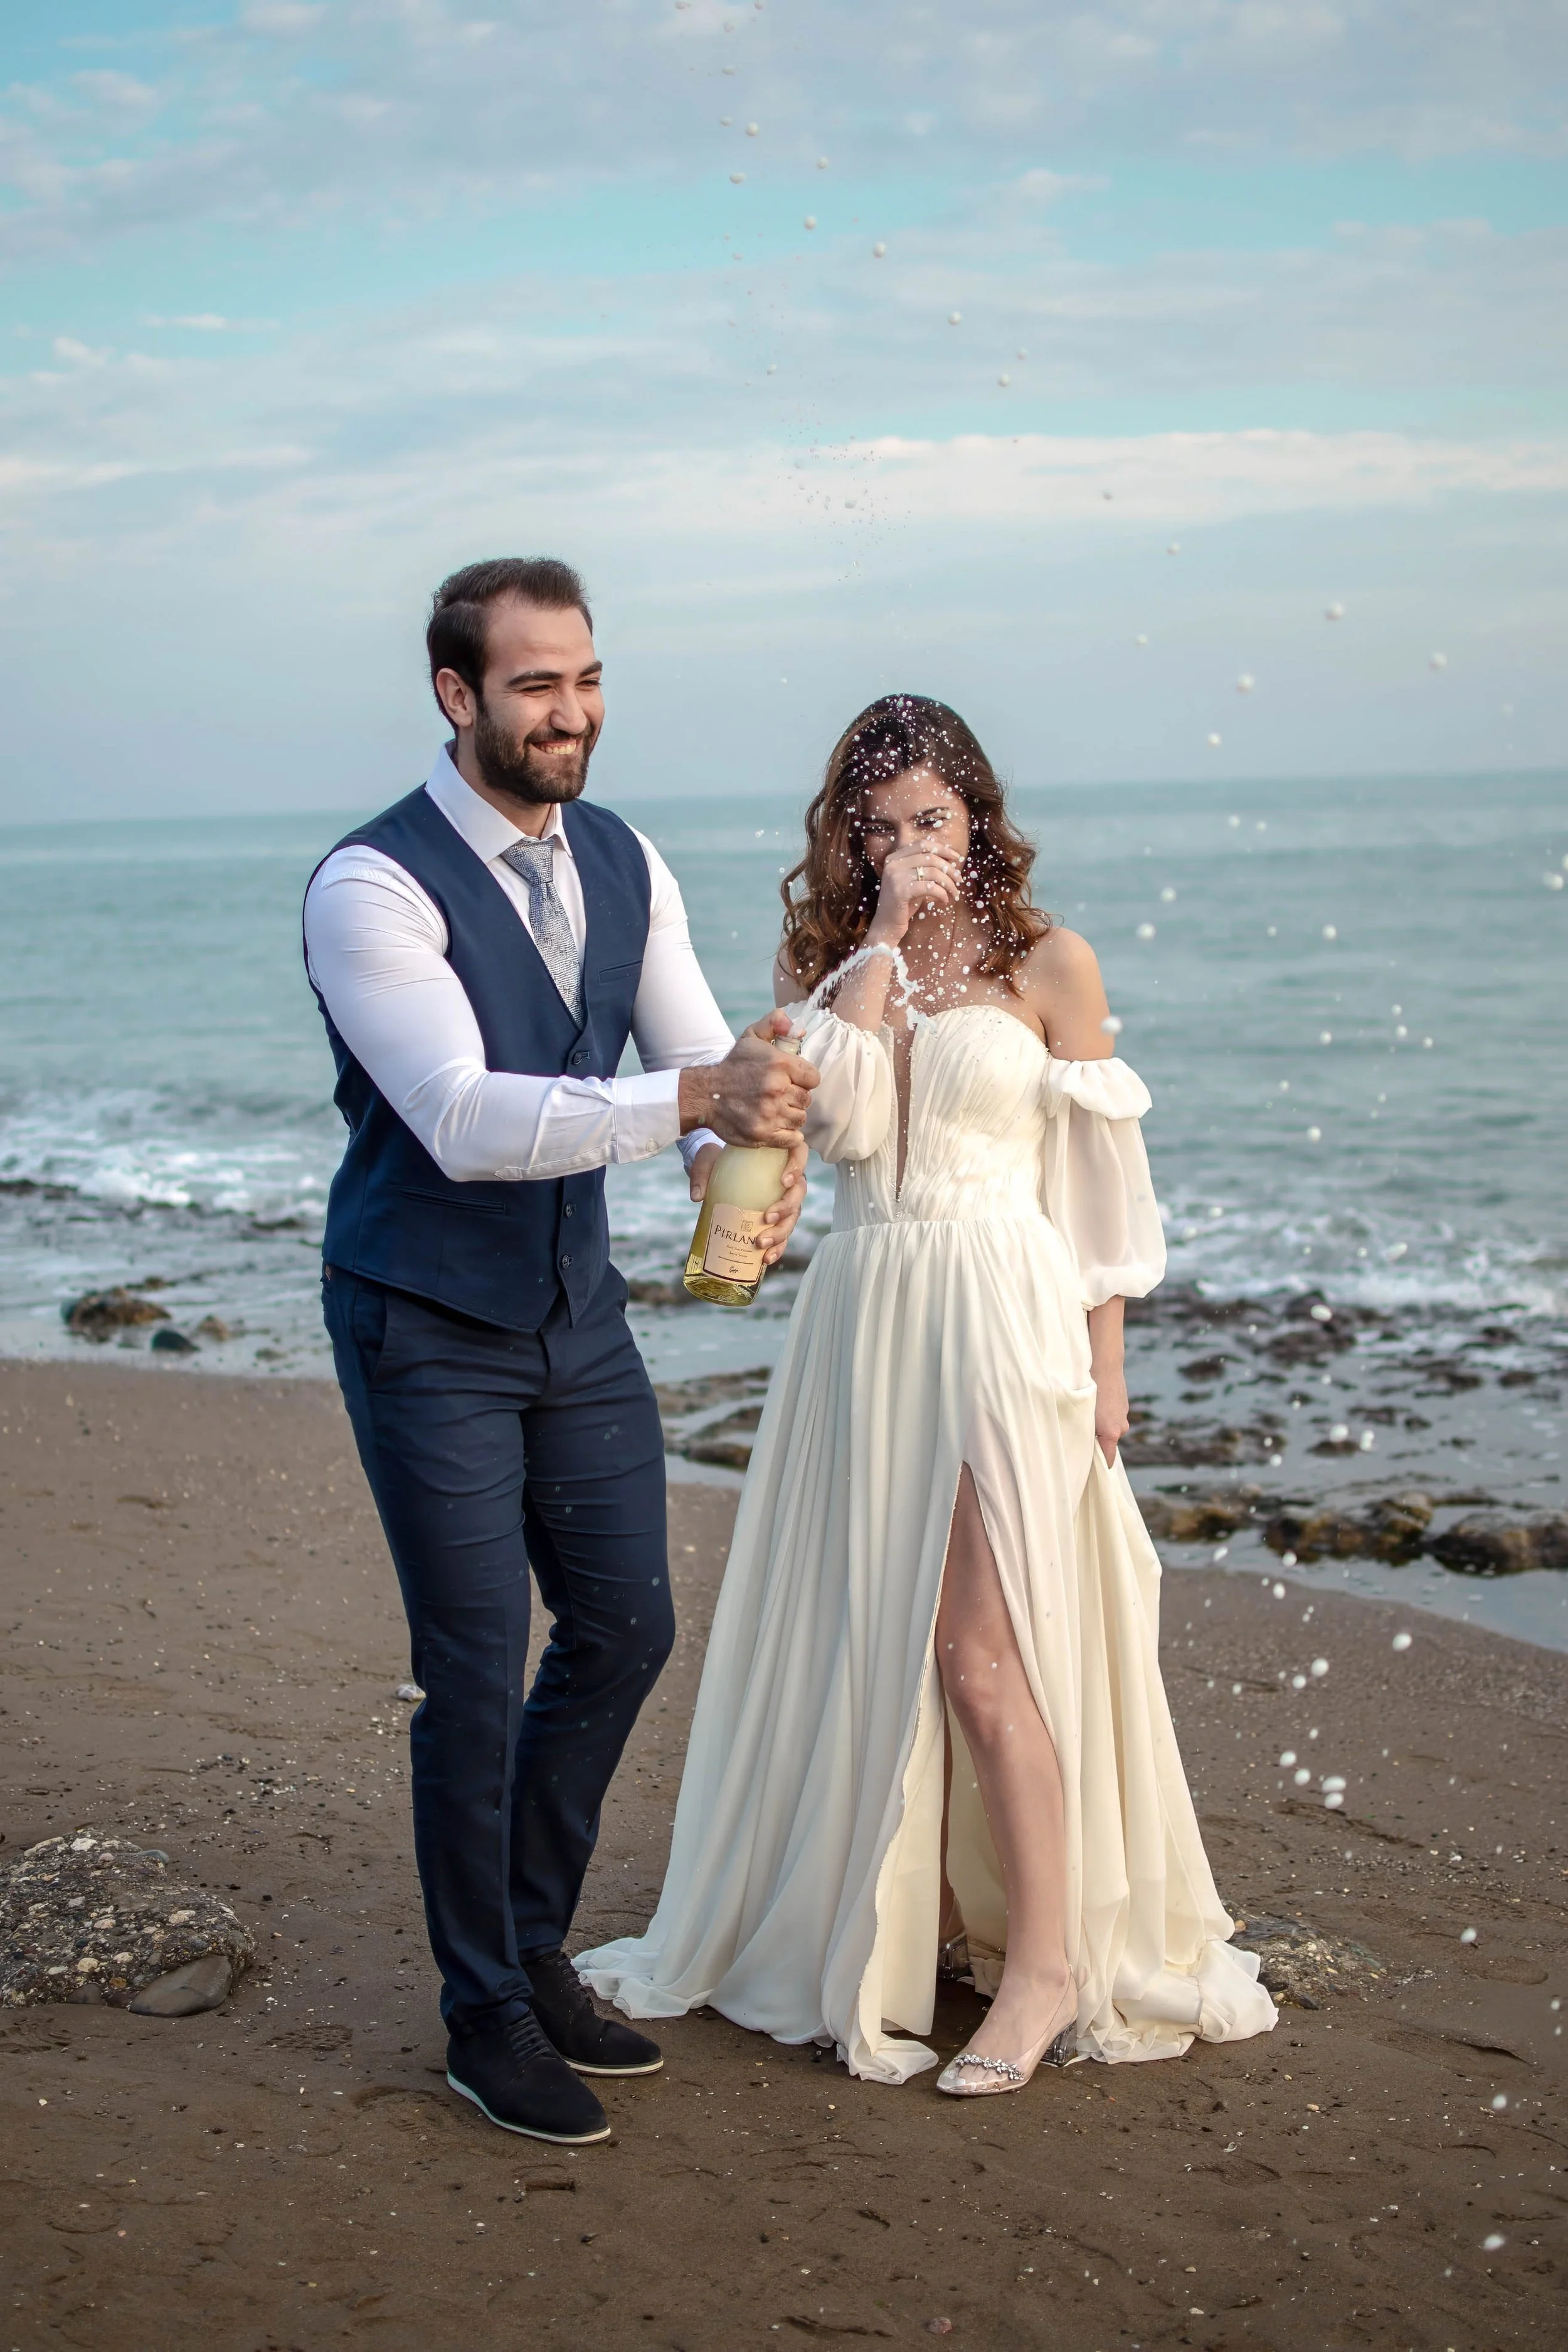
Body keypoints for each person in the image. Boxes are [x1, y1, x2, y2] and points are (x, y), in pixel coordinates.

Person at [577, 694, 1277, 2090]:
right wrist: (883, 946)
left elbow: (1096, 1188)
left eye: (933, 820)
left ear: (977, 815)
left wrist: (1107, 1373)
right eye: (882, 825)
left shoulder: (1046, 961)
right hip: (864, 1308)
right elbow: (839, 1127)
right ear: (851, 838)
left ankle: (1048, 1969)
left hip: (998, 1309)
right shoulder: (827, 960)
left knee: (977, 1648)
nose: (910, 844)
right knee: (880, 1637)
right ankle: (933, 1924)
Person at [304, 557, 817, 2144]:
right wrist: (690, 1106)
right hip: (424, 1322)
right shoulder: (368, 886)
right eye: (535, 685)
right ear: (458, 696)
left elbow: (692, 1057)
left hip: (574, 1319)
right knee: (469, 1677)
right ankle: (482, 2015)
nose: (571, 713)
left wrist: (744, 1159)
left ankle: (533, 1945)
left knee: (624, 1628)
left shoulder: (620, 852)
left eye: (586, 677)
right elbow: (457, 1120)